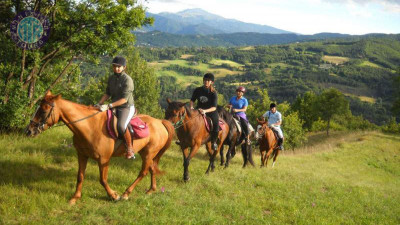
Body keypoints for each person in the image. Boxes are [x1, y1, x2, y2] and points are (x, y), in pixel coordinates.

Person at [96, 56, 136, 159]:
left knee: (121, 126)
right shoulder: (111, 78)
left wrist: (109, 105)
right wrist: (99, 103)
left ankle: (130, 149)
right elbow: (107, 93)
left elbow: (124, 100)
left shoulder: (128, 80)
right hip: (114, 105)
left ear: (124, 67)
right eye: (115, 66)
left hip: (126, 107)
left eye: (119, 67)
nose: (116, 68)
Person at [190, 73, 219, 151]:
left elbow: (214, 107)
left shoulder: (214, 93)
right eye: (205, 80)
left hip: (210, 111)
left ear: (212, 82)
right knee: (188, 119)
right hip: (199, 110)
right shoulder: (198, 90)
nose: (206, 81)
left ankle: (214, 142)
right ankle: (184, 138)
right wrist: (191, 107)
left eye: (208, 80)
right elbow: (192, 100)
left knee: (216, 123)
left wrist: (205, 111)